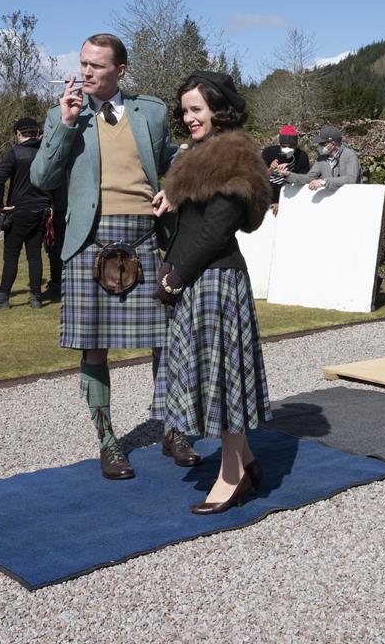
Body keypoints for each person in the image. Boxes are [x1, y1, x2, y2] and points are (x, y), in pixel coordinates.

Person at [30, 33, 194, 480]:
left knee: (167, 342)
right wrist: (65, 124)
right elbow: (42, 176)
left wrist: (175, 189)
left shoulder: (153, 112)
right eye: (83, 63)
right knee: (94, 348)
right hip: (89, 242)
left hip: (144, 239)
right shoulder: (64, 114)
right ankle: (107, 442)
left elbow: (170, 162)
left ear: (120, 70)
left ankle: (174, 430)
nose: (85, 72)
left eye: (97, 66)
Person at [151, 71, 272, 514]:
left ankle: (231, 476)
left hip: (215, 281)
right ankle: (247, 460)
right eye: (184, 111)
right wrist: (171, 198)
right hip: (200, 278)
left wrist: (174, 277)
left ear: (218, 109)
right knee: (218, 376)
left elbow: (216, 230)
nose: (188, 118)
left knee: (222, 382)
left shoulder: (235, 157)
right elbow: (193, 222)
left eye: (196, 109)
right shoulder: (200, 157)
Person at [0, 118, 53, 311]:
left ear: (18, 134)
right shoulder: (45, 153)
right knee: (35, 255)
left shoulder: (15, 153)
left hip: (19, 210)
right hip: (41, 211)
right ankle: (36, 297)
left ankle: (3, 297)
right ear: (37, 132)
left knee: (11, 255)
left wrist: (0, 206)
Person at [285, 125, 361, 191]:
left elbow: (351, 179)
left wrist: (323, 182)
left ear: (332, 144)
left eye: (322, 143)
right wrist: (288, 175)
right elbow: (309, 178)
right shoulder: (321, 158)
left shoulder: (350, 155)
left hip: (350, 199)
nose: (319, 145)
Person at [261, 124, 311, 209]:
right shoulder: (268, 152)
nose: (287, 149)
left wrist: (282, 203)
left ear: (296, 145)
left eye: (291, 146)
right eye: (284, 146)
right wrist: (271, 169)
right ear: (280, 144)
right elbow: (259, 180)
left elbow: (303, 181)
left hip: (290, 197)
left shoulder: (302, 156)